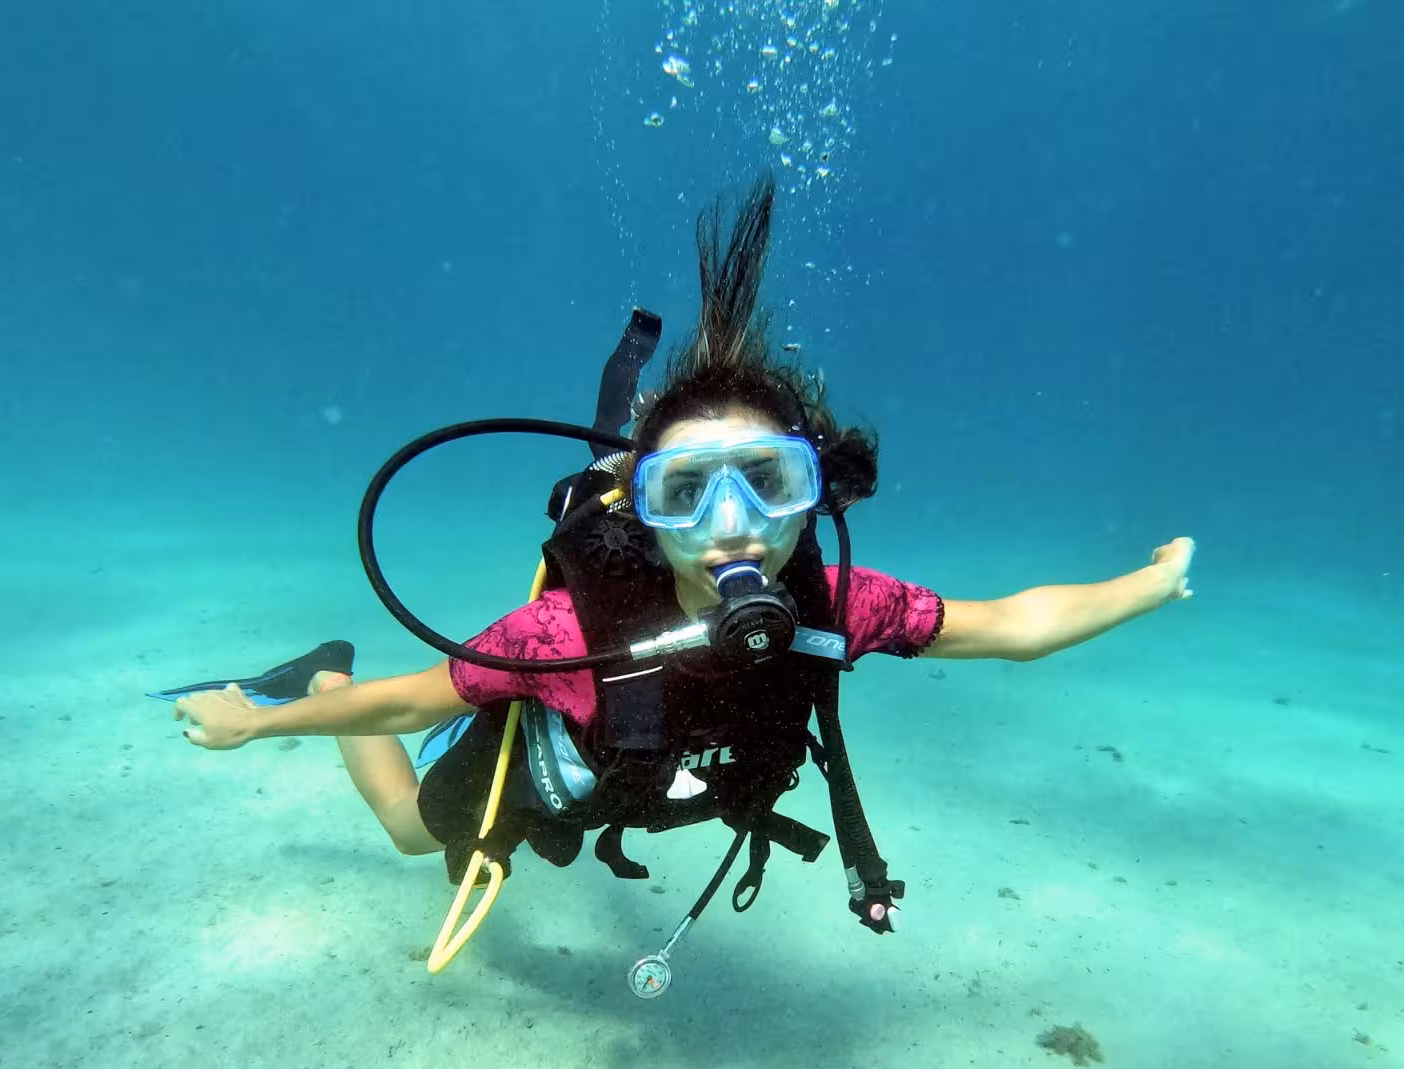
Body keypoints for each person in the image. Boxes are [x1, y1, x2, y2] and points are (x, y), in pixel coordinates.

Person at [163, 176, 1193, 982]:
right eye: (688, 491)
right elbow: (417, 694)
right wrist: (258, 726)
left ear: (813, 496)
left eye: (769, 484)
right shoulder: (568, 631)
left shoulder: (842, 607)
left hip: (653, 780)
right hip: (569, 771)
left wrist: (1147, 588)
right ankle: (319, 677)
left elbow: (1009, 626)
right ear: (645, 511)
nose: (732, 526)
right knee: (402, 833)